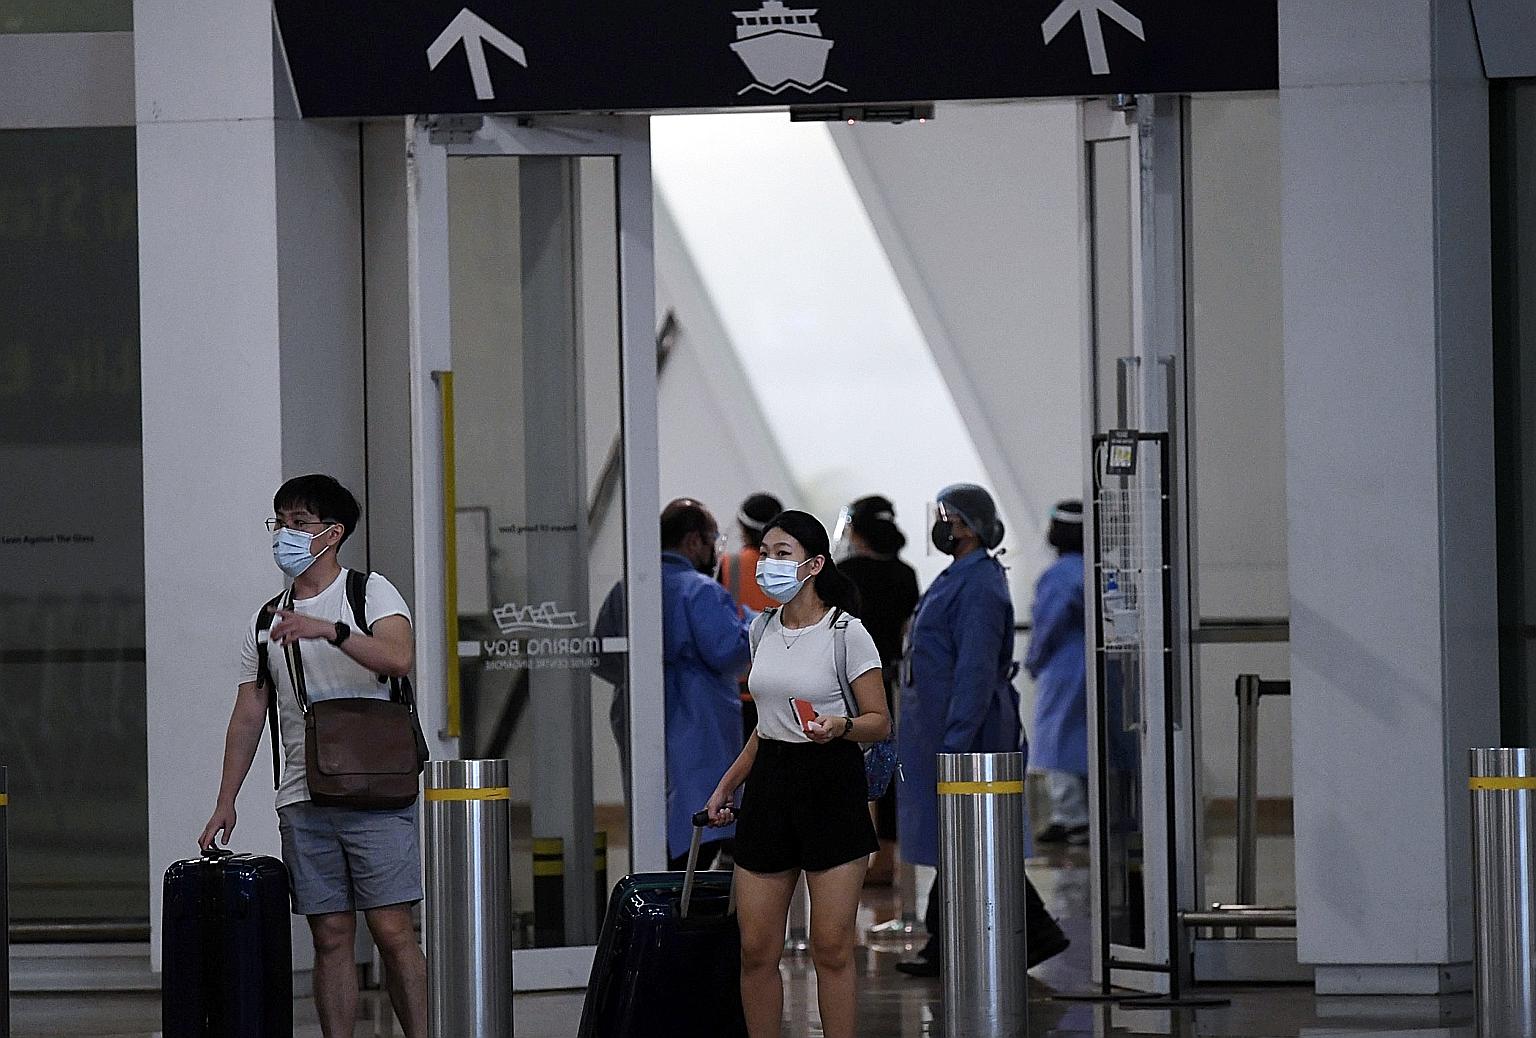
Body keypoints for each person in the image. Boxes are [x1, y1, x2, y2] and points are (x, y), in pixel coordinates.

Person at [200, 474, 427, 1038]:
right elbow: (249, 712)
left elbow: (398, 657)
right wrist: (225, 800)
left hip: (377, 787)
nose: (285, 535)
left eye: (298, 524)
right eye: (279, 523)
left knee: (394, 930)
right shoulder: (266, 619)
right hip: (304, 794)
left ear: (332, 533)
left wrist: (329, 630)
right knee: (329, 936)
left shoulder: (369, 592)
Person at [705, 510, 889, 1038]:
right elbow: (765, 729)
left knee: (831, 948)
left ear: (813, 565)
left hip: (830, 781)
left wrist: (841, 726)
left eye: (781, 554)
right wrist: (727, 784)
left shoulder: (846, 632)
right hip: (770, 784)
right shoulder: (761, 628)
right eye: (764, 553)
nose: (766, 564)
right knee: (757, 947)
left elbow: (880, 721)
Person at [894, 483, 1069, 979]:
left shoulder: (981, 587)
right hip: (940, 727)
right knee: (961, 839)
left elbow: (973, 672)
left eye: (948, 517)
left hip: (968, 734)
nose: (941, 525)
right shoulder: (958, 578)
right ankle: (951, 938)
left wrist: (956, 743)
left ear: (969, 526)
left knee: (973, 836)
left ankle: (1018, 935)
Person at [660, 498, 753, 870]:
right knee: (701, 822)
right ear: (693, 541)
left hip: (654, 722)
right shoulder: (699, 590)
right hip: (699, 720)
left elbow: (607, 652)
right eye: (712, 540)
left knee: (662, 822)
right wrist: (752, 625)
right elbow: (727, 651)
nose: (715, 550)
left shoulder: (631, 587)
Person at [833, 495, 920, 882]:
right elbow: (906, 631)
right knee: (886, 770)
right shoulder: (905, 573)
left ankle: (845, 858)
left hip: (847, 681)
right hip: (889, 680)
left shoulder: (844, 573)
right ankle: (886, 860)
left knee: (844, 769)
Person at [1027, 500, 1090, 846]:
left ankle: (1070, 816)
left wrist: (1035, 660)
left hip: (1064, 665)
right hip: (1100, 666)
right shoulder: (1096, 569)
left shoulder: (1058, 575)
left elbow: (1048, 624)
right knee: (1092, 739)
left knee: (1057, 740)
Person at [719, 492, 784, 743]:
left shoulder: (727, 565)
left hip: (740, 687)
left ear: (742, 528)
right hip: (785, 688)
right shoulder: (797, 568)